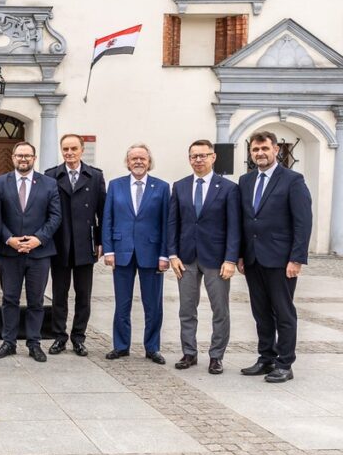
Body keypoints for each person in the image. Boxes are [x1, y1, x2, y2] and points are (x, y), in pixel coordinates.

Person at [237, 130, 312, 383]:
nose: (260, 153)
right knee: (260, 312)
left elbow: (303, 222)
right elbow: (244, 221)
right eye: (255, 150)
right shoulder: (245, 181)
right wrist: (239, 255)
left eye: (264, 149)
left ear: (276, 150)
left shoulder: (292, 180)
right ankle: (266, 357)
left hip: (281, 259)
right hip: (253, 258)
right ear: (251, 153)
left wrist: (297, 258)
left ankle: (285, 363)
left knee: (283, 312)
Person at [167, 139, 241, 375]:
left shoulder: (228, 188)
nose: (198, 160)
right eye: (193, 156)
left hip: (217, 259)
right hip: (186, 258)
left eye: (202, 155)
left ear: (213, 157)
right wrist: (172, 254)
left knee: (220, 310)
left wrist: (231, 259)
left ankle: (216, 356)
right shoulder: (179, 186)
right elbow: (173, 223)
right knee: (187, 309)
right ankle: (189, 353)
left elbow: (234, 227)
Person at [0, 142, 61, 363]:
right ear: (13, 157)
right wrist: (8, 239)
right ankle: (8, 342)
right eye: (20, 155)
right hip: (9, 252)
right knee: (9, 298)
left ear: (34, 158)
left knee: (36, 301)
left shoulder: (49, 184)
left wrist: (38, 239)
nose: (23, 159)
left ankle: (34, 343)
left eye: (28, 156)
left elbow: (55, 216)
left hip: (39, 253)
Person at [102, 143, 170, 364]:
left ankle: (152, 347)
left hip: (151, 253)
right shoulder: (116, 185)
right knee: (122, 303)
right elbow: (108, 219)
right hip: (122, 252)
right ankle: (121, 346)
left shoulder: (161, 187)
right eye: (134, 159)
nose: (138, 162)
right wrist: (109, 249)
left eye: (142, 158)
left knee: (153, 305)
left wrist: (164, 254)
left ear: (149, 162)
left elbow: (166, 223)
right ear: (127, 162)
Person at [45, 133, 106, 357]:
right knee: (59, 294)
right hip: (60, 242)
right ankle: (59, 337)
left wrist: (101, 241)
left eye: (73, 149)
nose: (69, 153)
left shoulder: (95, 176)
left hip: (85, 243)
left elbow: (103, 212)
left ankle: (78, 337)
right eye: (65, 149)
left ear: (82, 150)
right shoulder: (51, 175)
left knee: (83, 295)